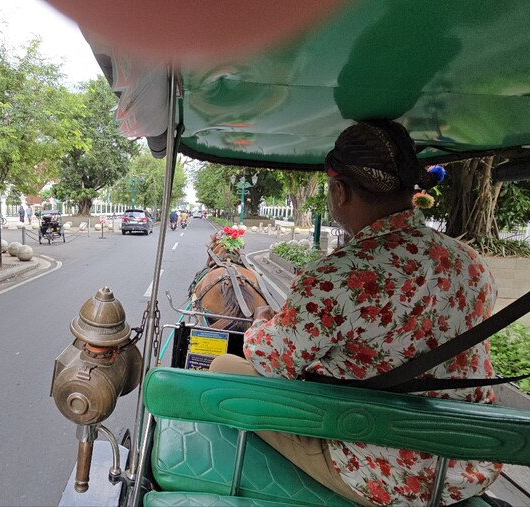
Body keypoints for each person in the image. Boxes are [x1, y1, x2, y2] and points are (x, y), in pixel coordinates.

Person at [211, 120, 500, 506]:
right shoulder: (471, 263)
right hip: (468, 466)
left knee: (221, 370)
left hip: (389, 473)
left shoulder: (335, 277)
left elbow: (271, 359)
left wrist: (262, 324)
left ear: (339, 190)